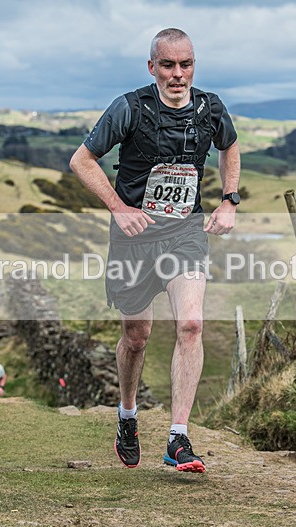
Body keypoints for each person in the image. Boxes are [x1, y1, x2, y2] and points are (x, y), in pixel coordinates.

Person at [70, 28, 240, 473]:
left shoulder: (210, 107)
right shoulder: (129, 108)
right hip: (133, 238)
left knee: (191, 324)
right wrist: (119, 207)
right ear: (152, 67)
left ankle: (178, 438)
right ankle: (127, 417)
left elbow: (230, 145)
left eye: (186, 65)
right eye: (168, 65)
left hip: (184, 233)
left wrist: (228, 198)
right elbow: (82, 160)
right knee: (137, 336)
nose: (178, 74)